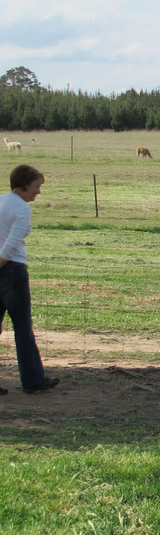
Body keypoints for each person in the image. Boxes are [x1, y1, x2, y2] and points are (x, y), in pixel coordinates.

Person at [0, 164, 59, 394]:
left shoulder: (1, 201)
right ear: (24, 184)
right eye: (37, 186)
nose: (38, 192)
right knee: (22, 327)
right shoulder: (22, 210)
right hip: (12, 271)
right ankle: (32, 379)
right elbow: (12, 244)